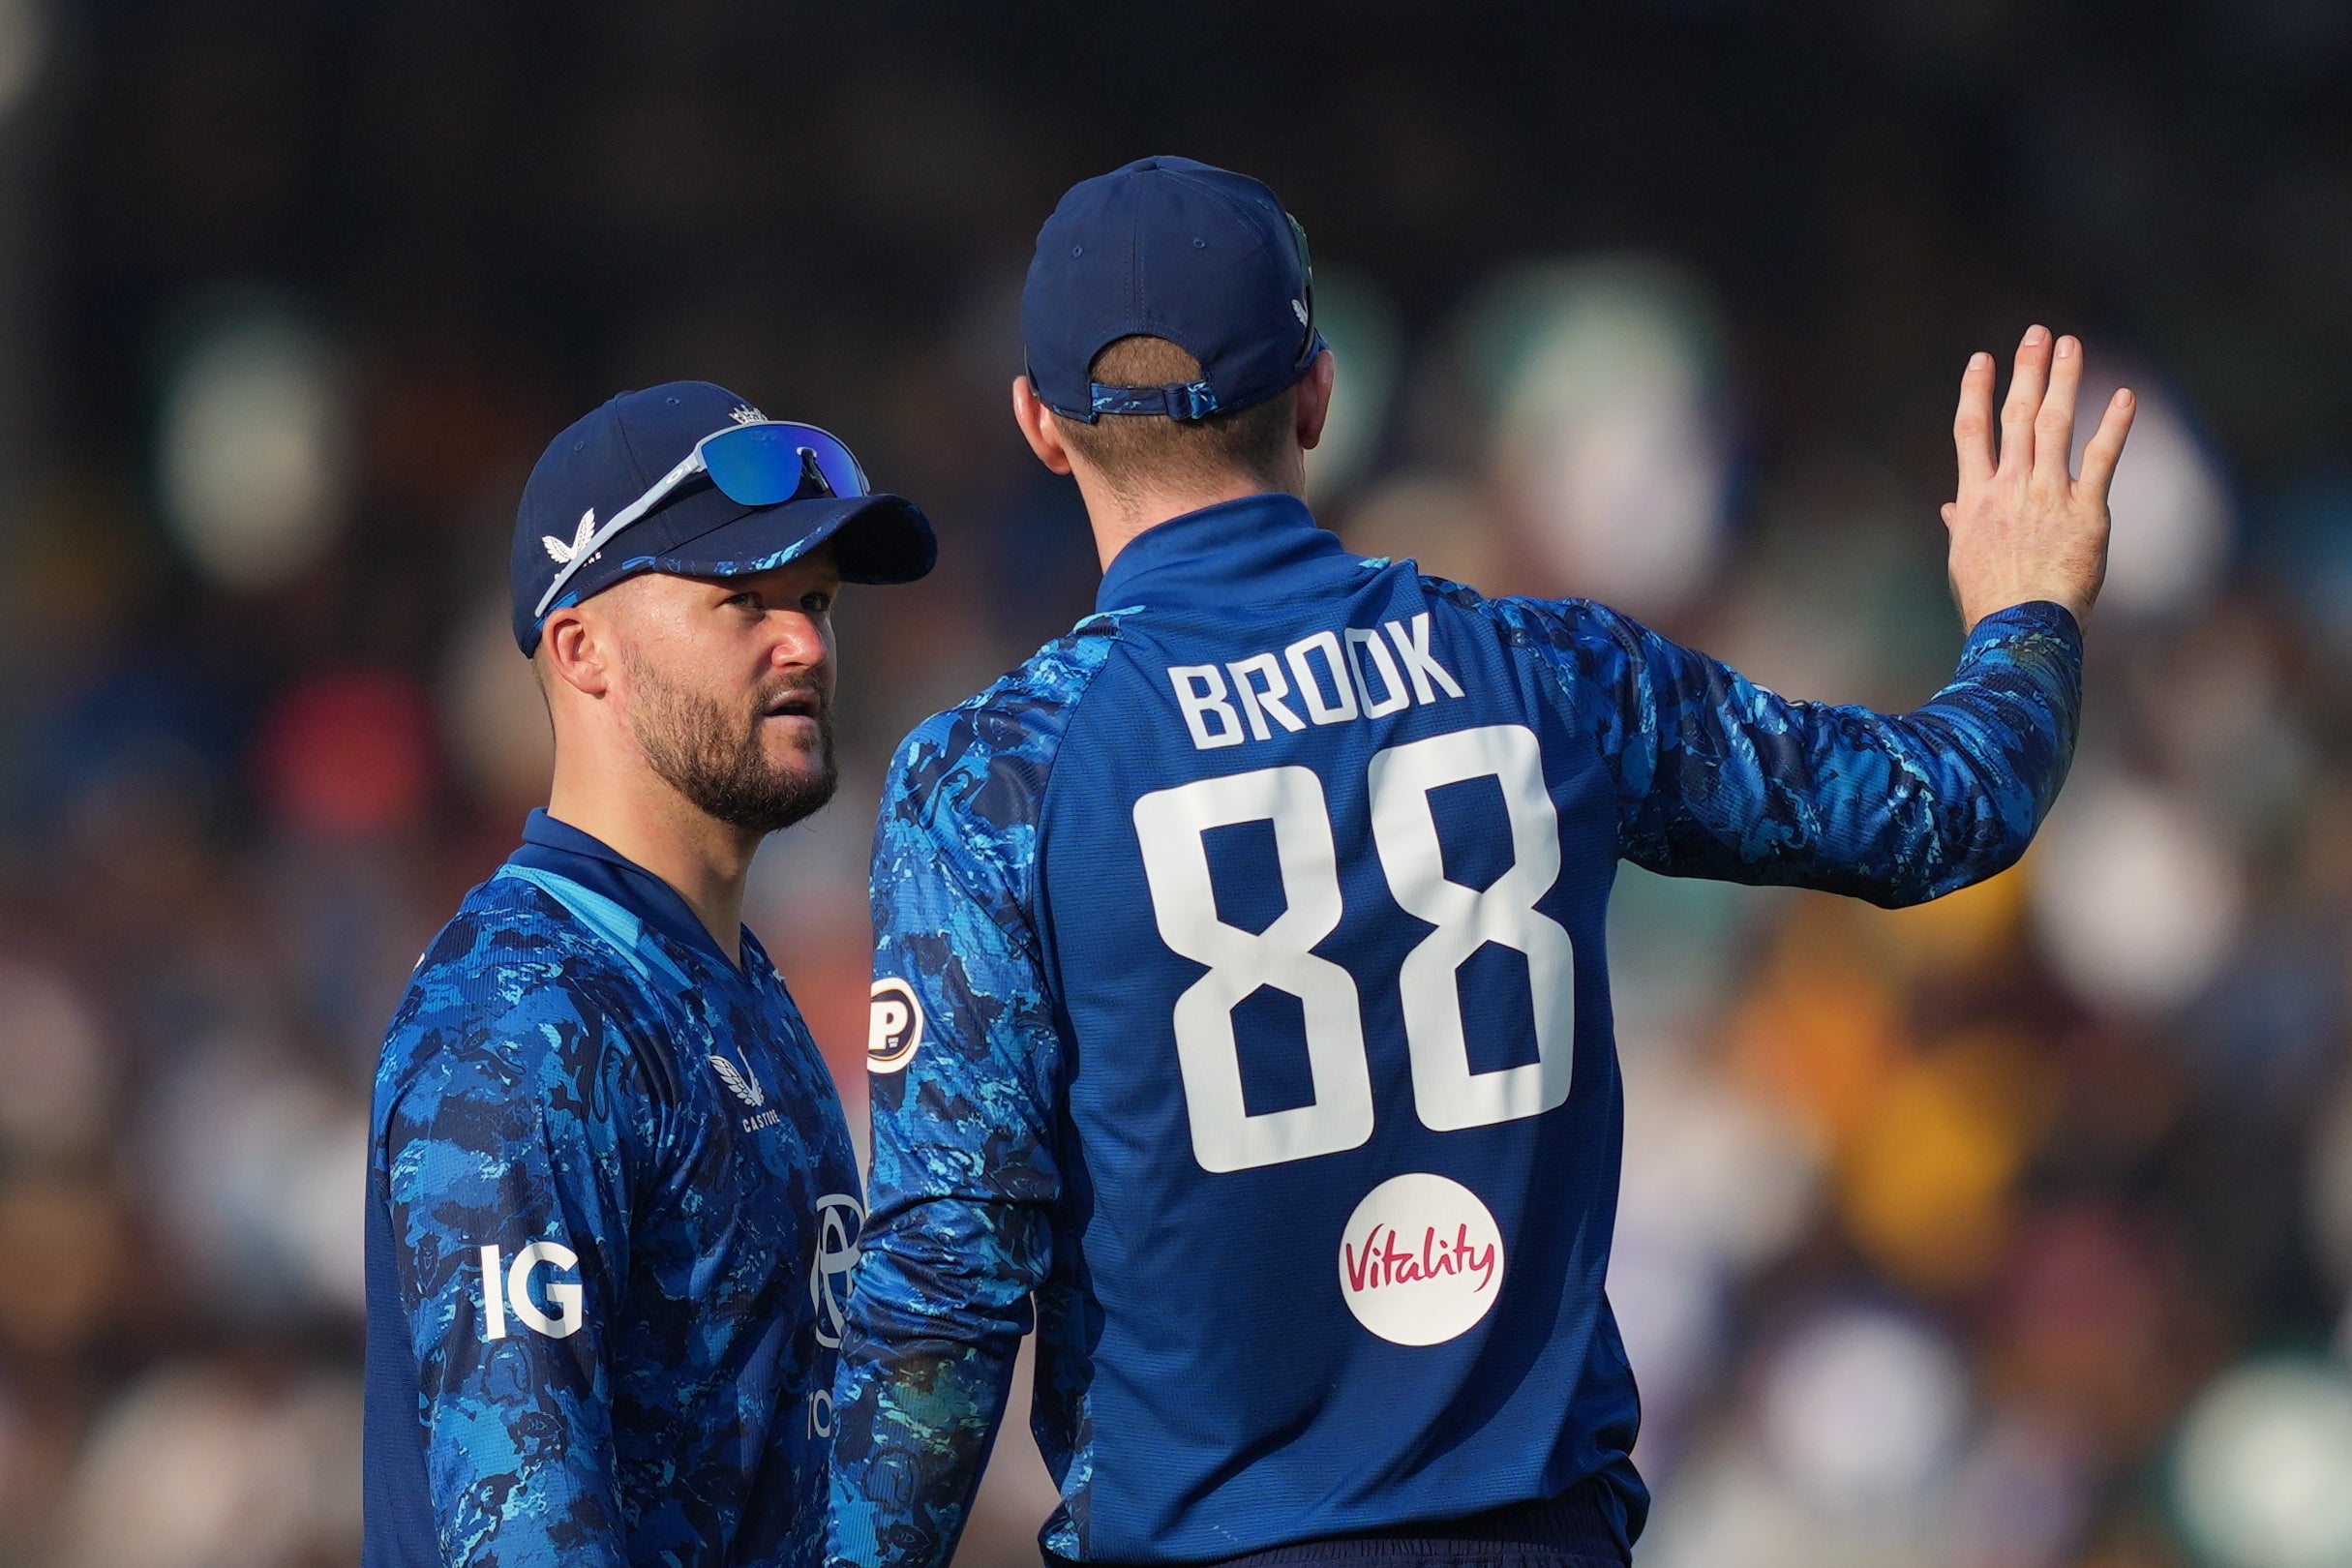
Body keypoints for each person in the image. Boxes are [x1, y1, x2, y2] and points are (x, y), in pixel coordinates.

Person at [827, 156, 2134, 1568]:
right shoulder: (1546, 674)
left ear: (1037, 424)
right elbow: (1942, 810)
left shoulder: (998, 778)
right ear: (1317, 392)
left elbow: (946, 1297)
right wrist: (2024, 612)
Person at [362, 381, 935, 1568]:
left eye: (816, 601)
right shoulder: (526, 1014)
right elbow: (527, 1529)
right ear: (582, 650)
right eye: (742, 603)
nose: (808, 644)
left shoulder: (728, 983)